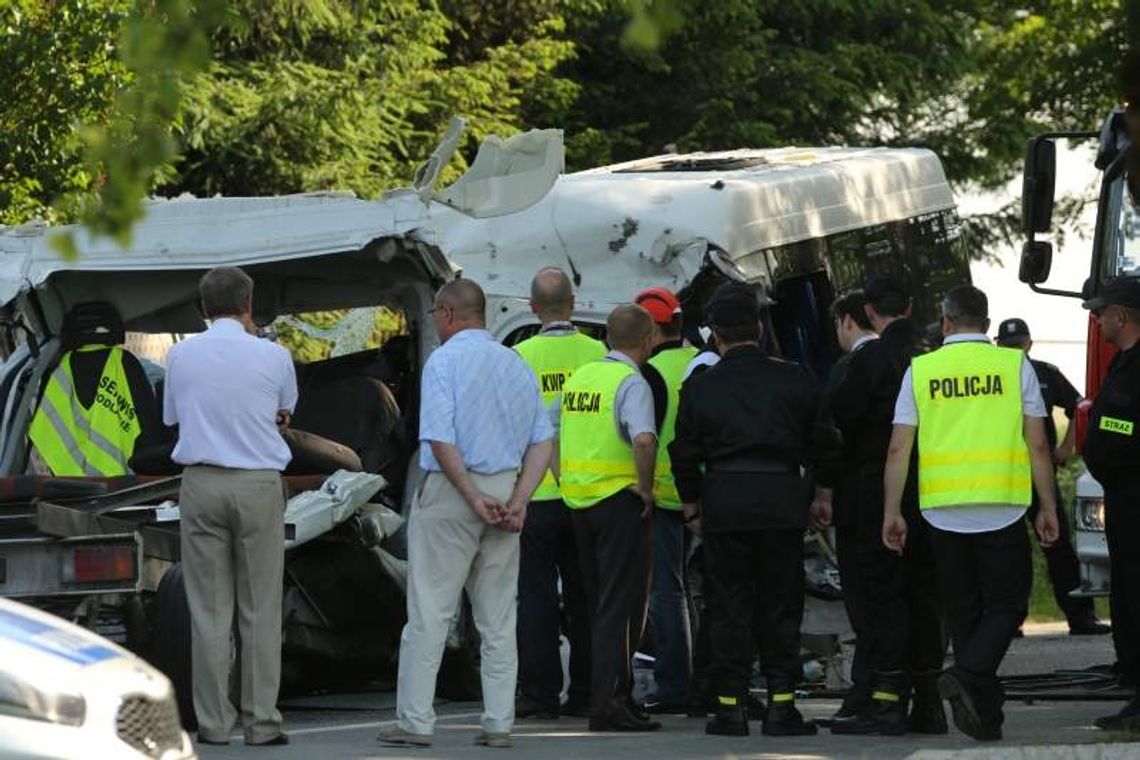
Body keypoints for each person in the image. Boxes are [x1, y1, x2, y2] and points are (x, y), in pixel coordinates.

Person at [380, 279, 554, 749]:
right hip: (505, 489)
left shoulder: (444, 361)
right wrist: (519, 499)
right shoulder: (514, 363)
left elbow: (440, 438)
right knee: (498, 616)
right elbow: (543, 440)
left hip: (453, 493)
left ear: (447, 313)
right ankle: (498, 722)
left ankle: (416, 721)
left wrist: (473, 496)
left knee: (430, 610)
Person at [882, 284, 1060, 742]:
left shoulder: (921, 369)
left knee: (964, 614)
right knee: (1008, 605)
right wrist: (1047, 505)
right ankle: (970, 677)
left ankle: (985, 718)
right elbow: (1038, 444)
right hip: (1002, 505)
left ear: (945, 322)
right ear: (987, 323)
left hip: (942, 511)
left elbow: (899, 448)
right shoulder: (1013, 365)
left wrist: (892, 511)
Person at [671, 282, 837, 738]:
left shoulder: (701, 386)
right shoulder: (795, 378)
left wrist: (691, 506)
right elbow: (825, 443)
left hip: (724, 502)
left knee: (728, 607)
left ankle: (729, 709)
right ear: (759, 328)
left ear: (716, 333)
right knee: (781, 606)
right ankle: (782, 708)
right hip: (781, 500)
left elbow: (682, 451)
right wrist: (821, 495)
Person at [163, 267, 296, 746]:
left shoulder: (180, 355)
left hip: (200, 483)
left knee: (210, 612)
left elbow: (172, 418)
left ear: (203, 307)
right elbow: (284, 414)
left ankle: (215, 723)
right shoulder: (275, 356)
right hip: (258, 485)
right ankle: (261, 723)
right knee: (260, 609)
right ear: (248, 303)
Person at [817, 278, 946, 737]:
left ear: (867, 313)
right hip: (931, 490)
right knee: (923, 596)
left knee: (880, 597)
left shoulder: (866, 362)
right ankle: (928, 702)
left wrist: (824, 488)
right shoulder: (932, 355)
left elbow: (837, 424)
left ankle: (885, 701)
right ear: (909, 306)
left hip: (873, 493)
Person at [557, 304, 661, 732]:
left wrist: (565, 479)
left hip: (580, 503)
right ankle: (609, 703)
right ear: (648, 339)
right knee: (622, 605)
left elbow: (553, 433)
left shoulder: (582, 377)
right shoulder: (630, 382)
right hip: (620, 500)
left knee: (598, 603)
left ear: (607, 337)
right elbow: (644, 440)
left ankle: (609, 697)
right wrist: (646, 488)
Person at [513, 267, 605, 719]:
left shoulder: (518, 357)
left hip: (535, 495)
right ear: (574, 303)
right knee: (586, 596)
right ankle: (587, 692)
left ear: (532, 308)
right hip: (587, 496)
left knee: (536, 598)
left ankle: (540, 695)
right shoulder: (598, 354)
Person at [994, 317, 1109, 636]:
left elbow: (1079, 407)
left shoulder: (1044, 373)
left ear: (1029, 344)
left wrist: (1066, 447)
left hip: (1038, 472)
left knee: (1058, 547)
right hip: (1002, 475)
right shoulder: (992, 377)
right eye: (1009, 345)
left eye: (1018, 345)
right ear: (998, 345)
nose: (1015, 351)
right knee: (1008, 551)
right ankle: (1007, 621)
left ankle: (1080, 617)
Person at [810, 290, 878, 729]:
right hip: (907, 499)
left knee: (864, 601)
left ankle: (867, 691)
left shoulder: (846, 370)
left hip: (858, 501)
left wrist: (824, 493)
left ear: (848, 322)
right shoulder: (908, 361)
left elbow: (830, 439)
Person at [1080, 277, 1140, 733]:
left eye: (1102, 313)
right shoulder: (1125, 362)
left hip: (1134, 494)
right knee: (1127, 593)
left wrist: (1112, 448)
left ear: (1122, 316)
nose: (1097, 320)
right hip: (1123, 497)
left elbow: (1126, 429)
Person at [634, 286, 697, 714]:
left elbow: (645, 437)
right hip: (699, 495)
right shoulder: (699, 361)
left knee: (665, 593)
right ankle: (696, 676)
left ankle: (674, 684)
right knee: (687, 590)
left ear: (651, 330)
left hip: (662, 496)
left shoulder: (648, 373)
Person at [29, 301, 161, 476]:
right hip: (129, 482)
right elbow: (150, 427)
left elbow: (47, 431)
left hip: (75, 486)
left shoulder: (61, 371)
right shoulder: (125, 363)